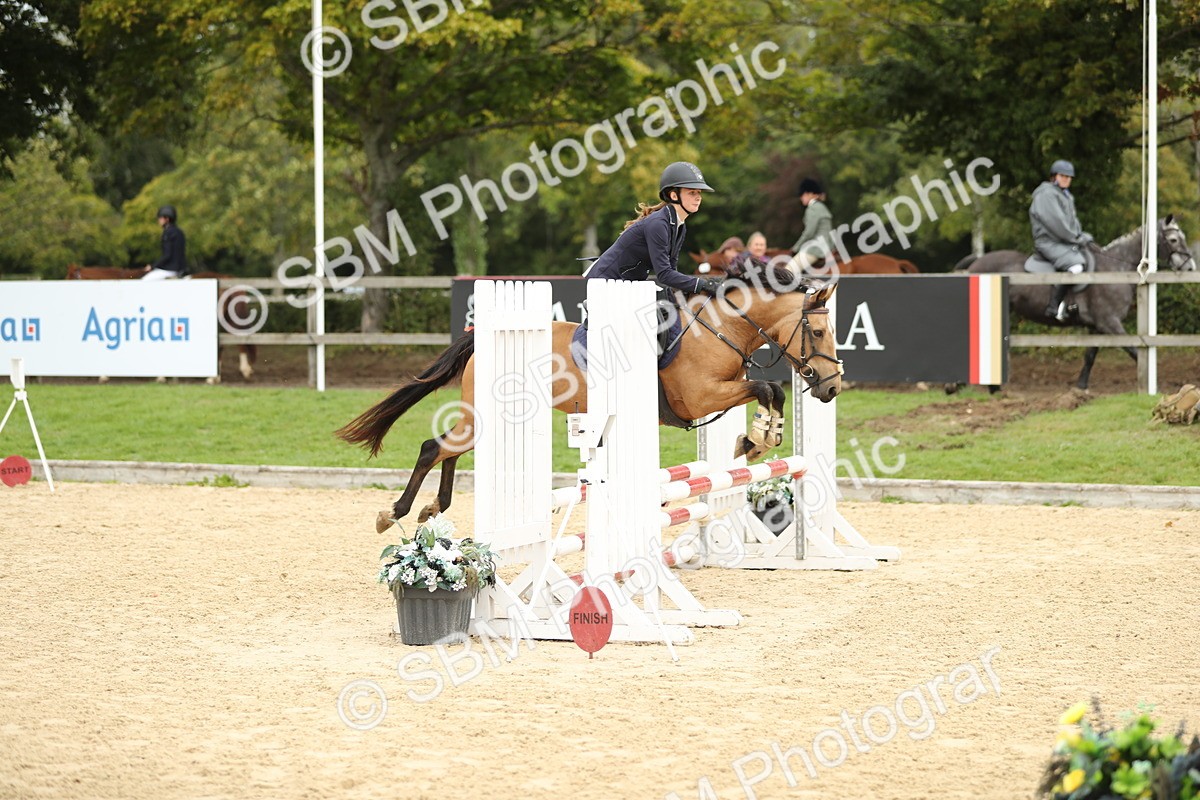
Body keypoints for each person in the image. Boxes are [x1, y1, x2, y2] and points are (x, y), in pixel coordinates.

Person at [587, 162, 720, 296]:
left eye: (699, 193)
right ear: (674, 195)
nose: (698, 197)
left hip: (627, 285)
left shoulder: (679, 226)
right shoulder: (658, 224)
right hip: (605, 283)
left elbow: (672, 270)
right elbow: (664, 274)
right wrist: (701, 284)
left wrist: (679, 295)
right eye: (692, 192)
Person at [1030, 160, 1093, 321]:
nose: (1066, 179)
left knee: (1089, 256)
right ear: (1054, 176)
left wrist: (1081, 235)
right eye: (1062, 176)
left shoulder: (1065, 196)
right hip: (1048, 242)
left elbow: (1073, 222)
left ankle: (1072, 303)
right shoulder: (1046, 194)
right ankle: (1054, 306)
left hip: (1063, 241)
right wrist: (1076, 238)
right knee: (1076, 266)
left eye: (1069, 177)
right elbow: (1057, 223)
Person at [790, 178, 833, 271]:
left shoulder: (813, 208)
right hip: (827, 247)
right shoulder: (822, 207)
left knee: (788, 270)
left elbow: (809, 232)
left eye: (802, 195)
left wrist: (796, 248)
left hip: (816, 249)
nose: (801, 198)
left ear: (810, 194)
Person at [143, 205, 187, 280]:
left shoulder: (168, 233)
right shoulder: (179, 232)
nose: (158, 220)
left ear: (167, 219)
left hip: (170, 269)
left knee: (145, 280)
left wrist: (152, 266)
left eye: (160, 218)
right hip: (181, 268)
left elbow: (167, 255)